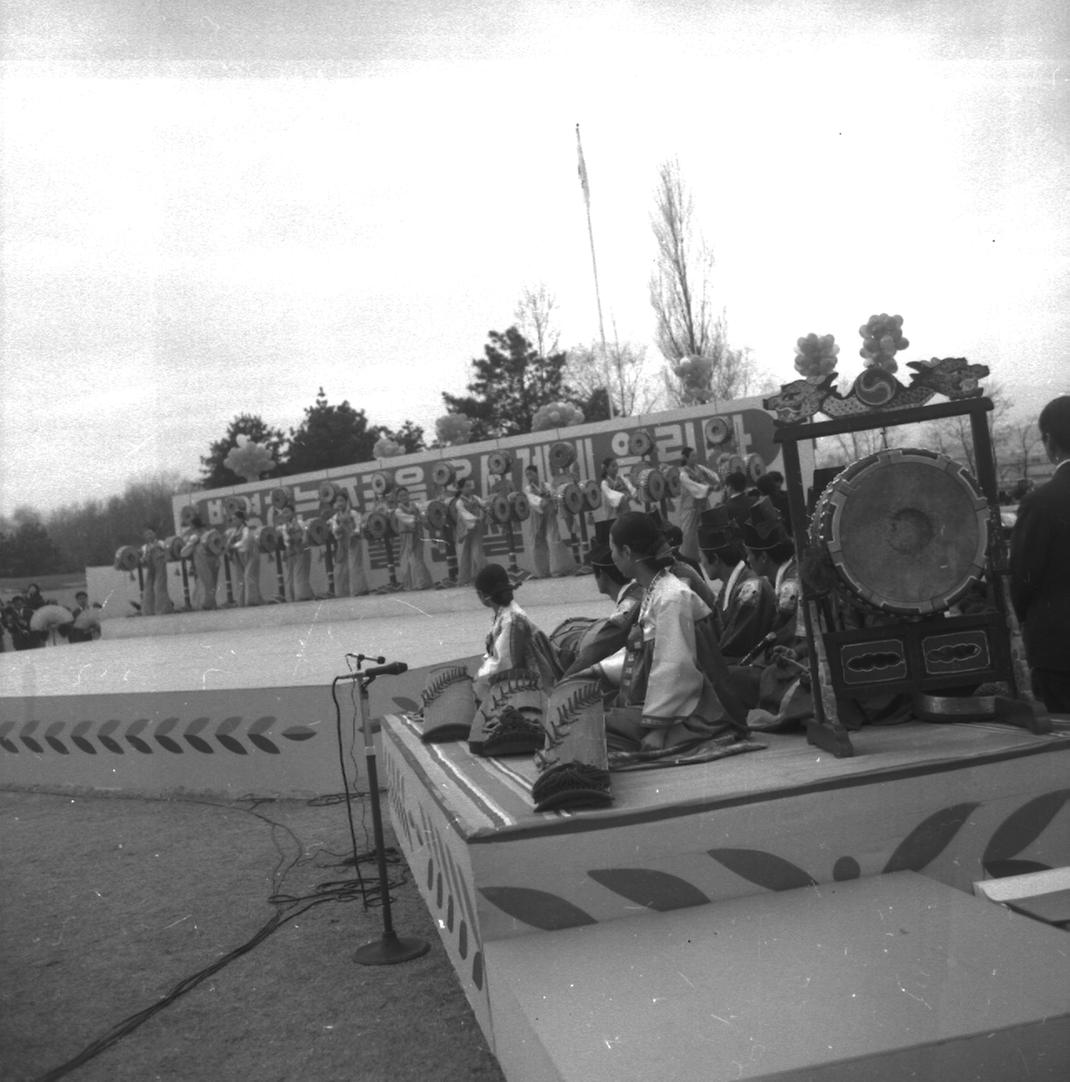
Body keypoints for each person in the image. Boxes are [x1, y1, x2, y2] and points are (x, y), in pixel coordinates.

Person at [606, 512, 751, 752]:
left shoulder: (671, 597)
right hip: (667, 705)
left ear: (627, 552)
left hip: (691, 711)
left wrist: (658, 730)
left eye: (612, 549)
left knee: (593, 729)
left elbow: (676, 667)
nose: (611, 557)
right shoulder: (655, 588)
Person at [1010, 394, 1070, 713]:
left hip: (1060, 646)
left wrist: (1026, 621)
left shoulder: (1041, 502)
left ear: (1049, 440)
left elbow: (1023, 578)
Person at [699, 508, 775, 661]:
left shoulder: (751, 590)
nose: (701, 563)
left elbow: (732, 648)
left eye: (702, 558)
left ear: (714, 558)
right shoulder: (730, 587)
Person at [677, 446, 721, 560]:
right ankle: (690, 557)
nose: (695, 458)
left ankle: (708, 554)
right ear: (686, 458)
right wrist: (709, 488)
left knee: (707, 528)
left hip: (703, 505)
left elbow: (713, 476)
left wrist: (717, 481)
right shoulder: (683, 474)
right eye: (693, 456)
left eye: (695, 455)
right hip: (690, 507)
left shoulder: (699, 468)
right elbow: (693, 487)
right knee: (689, 533)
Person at [391, 487, 434, 591]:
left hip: (417, 534)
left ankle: (421, 583)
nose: (404, 497)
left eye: (405, 495)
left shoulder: (416, 505)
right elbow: (410, 520)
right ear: (397, 498)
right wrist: (418, 518)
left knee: (418, 558)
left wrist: (424, 517)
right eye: (401, 496)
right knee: (408, 559)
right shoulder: (398, 511)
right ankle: (412, 583)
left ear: (408, 495)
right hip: (406, 537)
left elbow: (423, 514)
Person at [329, 491, 369, 597]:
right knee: (340, 568)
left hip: (353, 542)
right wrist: (339, 528)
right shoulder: (335, 517)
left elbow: (358, 525)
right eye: (337, 501)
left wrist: (354, 532)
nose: (339, 503)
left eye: (341, 500)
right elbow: (334, 531)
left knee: (354, 565)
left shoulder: (353, 513)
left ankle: (359, 590)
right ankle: (342, 592)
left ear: (346, 501)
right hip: (341, 544)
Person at [450, 477, 487, 587]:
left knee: (477, 553)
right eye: (466, 486)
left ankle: (481, 577)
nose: (469, 488)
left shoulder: (475, 498)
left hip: (476, 529)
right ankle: (465, 579)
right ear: (461, 489)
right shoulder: (459, 502)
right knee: (464, 555)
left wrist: (488, 504)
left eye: (469, 485)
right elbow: (464, 514)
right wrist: (476, 519)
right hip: (465, 530)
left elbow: (483, 504)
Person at [180, 515, 220, 610]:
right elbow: (217, 549)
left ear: (193, 525)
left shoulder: (194, 536)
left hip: (201, 559)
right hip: (213, 559)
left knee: (205, 581)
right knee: (211, 581)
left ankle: (205, 603)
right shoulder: (209, 533)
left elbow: (184, 552)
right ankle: (210, 603)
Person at [276, 505, 314, 602]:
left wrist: (300, 543)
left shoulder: (300, 523)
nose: (285, 514)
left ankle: (303, 596)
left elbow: (305, 538)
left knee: (299, 576)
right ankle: (298, 596)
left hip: (301, 552)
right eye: (283, 512)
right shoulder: (284, 527)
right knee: (290, 578)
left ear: (293, 513)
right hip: (290, 553)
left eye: (287, 511)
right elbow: (285, 541)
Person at [228, 509, 262, 607]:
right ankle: (241, 602)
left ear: (241, 519)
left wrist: (233, 546)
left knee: (248, 576)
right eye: (232, 519)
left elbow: (245, 542)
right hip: (240, 556)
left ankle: (252, 601)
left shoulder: (246, 530)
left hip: (251, 554)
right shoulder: (234, 532)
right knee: (240, 579)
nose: (233, 521)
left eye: (235, 519)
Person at [139, 527, 174, 616]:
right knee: (148, 588)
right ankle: (148, 611)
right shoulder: (144, 548)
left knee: (159, 587)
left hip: (160, 568)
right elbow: (142, 560)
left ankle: (163, 609)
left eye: (150, 533)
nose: (149, 536)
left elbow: (168, 554)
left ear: (155, 534)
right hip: (150, 569)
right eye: (146, 534)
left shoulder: (161, 543)